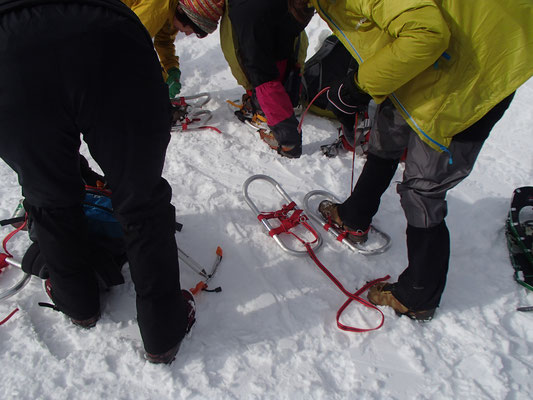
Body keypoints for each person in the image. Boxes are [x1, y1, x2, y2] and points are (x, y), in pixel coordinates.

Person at [300, 0, 533, 320]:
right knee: (389, 129)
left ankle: (420, 293)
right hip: (435, 55)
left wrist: (357, 87)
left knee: (423, 189)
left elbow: (426, 33)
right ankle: (354, 215)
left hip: (477, 68)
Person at [0, 0, 195, 364]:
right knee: (140, 197)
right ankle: (162, 333)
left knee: (48, 195)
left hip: (8, 50)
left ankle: (77, 303)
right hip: (106, 35)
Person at [219, 0, 313, 158]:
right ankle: (283, 99)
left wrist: (251, 88)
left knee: (263, 76)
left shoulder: (241, 13)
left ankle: (287, 137)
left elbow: (244, 61)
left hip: (261, 21)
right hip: (288, 16)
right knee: (281, 52)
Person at [122, 0, 224, 98]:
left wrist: (171, 69)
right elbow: (129, 44)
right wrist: (157, 80)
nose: (188, 34)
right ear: (184, 13)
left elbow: (164, 41)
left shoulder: (172, 8)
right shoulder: (157, 7)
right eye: (191, 29)